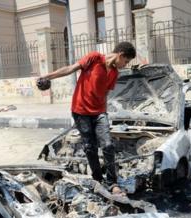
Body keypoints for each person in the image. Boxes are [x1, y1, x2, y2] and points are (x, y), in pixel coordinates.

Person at [36, 42, 136, 194]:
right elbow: (70, 68)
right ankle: (97, 179)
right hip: (81, 111)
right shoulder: (94, 58)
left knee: (108, 145)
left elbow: (105, 94)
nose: (125, 64)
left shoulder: (114, 73)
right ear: (120, 55)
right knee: (90, 147)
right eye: (126, 61)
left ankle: (112, 183)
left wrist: (104, 113)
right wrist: (47, 76)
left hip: (99, 113)